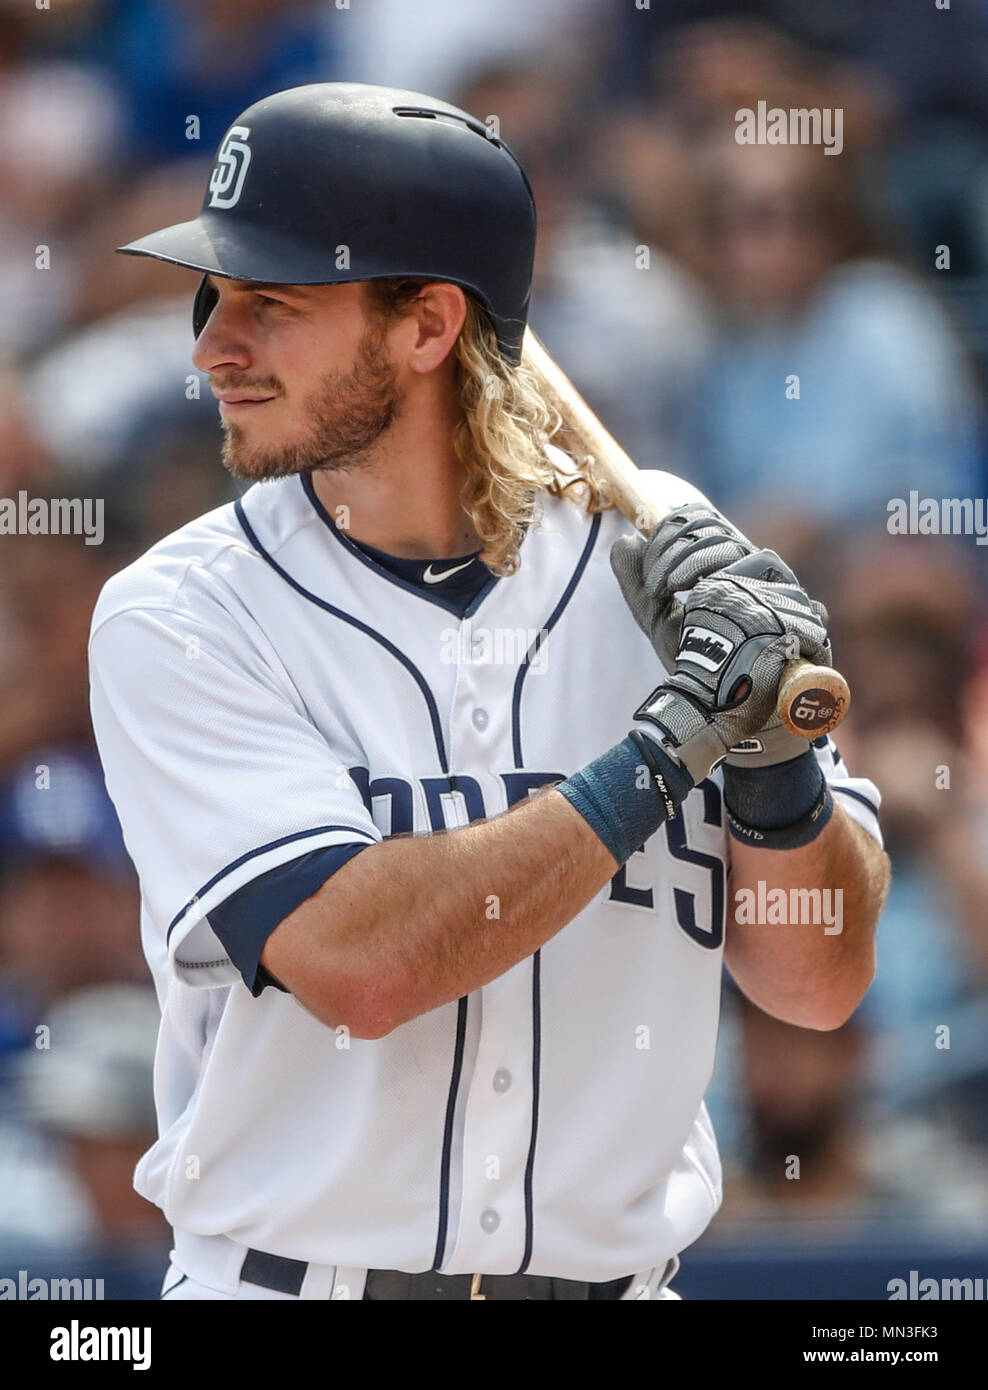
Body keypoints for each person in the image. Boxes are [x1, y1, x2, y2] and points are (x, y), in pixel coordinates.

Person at [88, 82, 889, 1301]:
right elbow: (365, 963)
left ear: (426, 326)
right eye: (215, 298)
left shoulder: (654, 554)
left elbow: (817, 980)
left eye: (271, 304)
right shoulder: (185, 614)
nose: (211, 346)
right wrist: (672, 747)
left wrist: (773, 762)